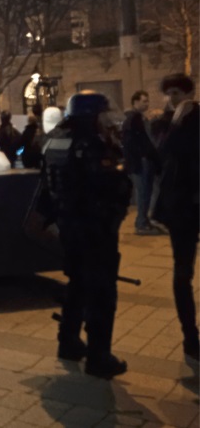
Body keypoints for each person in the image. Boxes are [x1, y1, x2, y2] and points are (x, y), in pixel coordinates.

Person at [41, 91, 130, 378]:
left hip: (69, 225)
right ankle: (98, 356)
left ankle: (68, 340)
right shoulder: (92, 143)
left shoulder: (56, 139)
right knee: (102, 291)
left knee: (77, 282)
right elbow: (109, 184)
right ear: (91, 115)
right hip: (95, 227)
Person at [151, 73, 199, 362]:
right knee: (183, 272)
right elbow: (163, 154)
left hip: (190, 203)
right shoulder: (166, 124)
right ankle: (189, 336)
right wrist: (177, 121)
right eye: (169, 93)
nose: (173, 99)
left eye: (177, 93)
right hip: (181, 208)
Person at [120, 90, 162, 235]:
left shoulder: (136, 119)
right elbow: (136, 144)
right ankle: (142, 223)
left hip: (140, 162)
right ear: (135, 102)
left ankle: (144, 221)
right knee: (143, 192)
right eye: (144, 101)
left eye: (147, 100)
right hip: (141, 162)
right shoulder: (134, 119)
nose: (147, 103)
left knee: (145, 192)